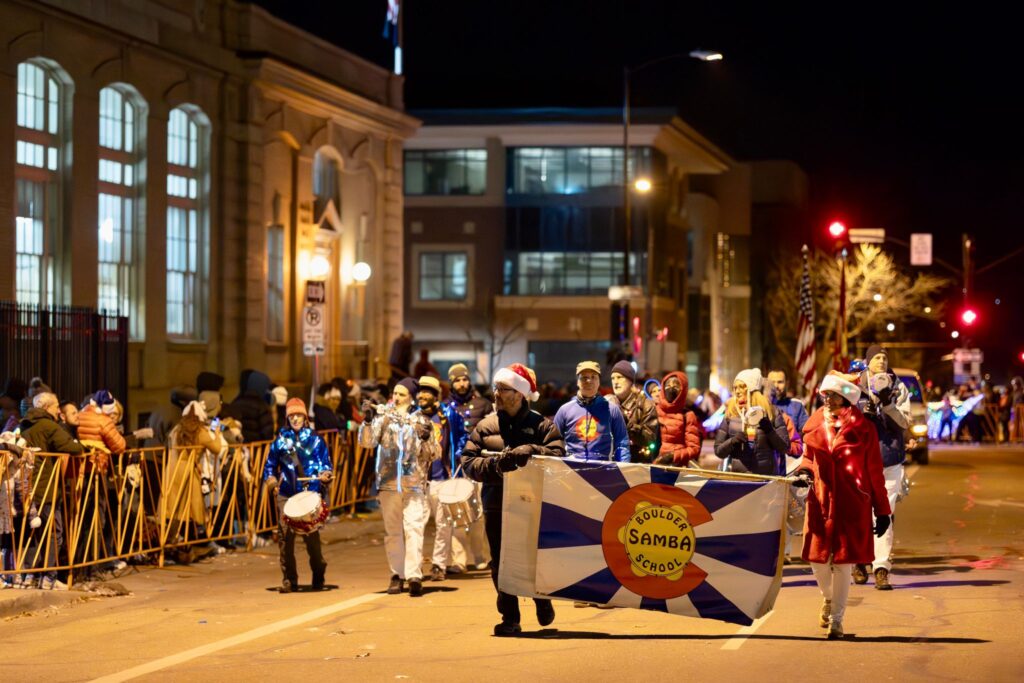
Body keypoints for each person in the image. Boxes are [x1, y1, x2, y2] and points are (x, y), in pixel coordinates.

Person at [461, 363, 565, 636]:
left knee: (533, 556)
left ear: (519, 394)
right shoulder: (485, 427)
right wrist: (496, 467)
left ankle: (542, 600)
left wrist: (531, 450)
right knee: (500, 561)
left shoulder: (541, 425)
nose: (496, 393)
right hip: (496, 502)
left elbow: (559, 455)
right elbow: (469, 463)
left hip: (532, 502)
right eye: (496, 388)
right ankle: (510, 617)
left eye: (503, 389)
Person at [795, 374, 891, 639]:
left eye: (832, 395)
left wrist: (882, 510)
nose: (826, 399)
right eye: (825, 395)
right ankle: (828, 598)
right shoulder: (815, 426)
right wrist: (804, 472)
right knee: (818, 561)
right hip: (821, 501)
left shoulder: (865, 430)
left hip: (853, 503)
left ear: (846, 399)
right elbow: (807, 459)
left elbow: (874, 472)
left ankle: (837, 620)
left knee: (843, 562)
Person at [364, 377, 432, 597]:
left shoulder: (421, 419)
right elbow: (367, 442)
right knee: (393, 531)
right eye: (395, 393)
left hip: (413, 484)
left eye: (402, 394)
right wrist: (367, 421)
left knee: (414, 529)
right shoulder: (384, 418)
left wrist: (427, 439)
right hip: (388, 483)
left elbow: (434, 454)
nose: (397, 397)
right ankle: (397, 574)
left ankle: (414, 576)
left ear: (411, 397)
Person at [850, 345, 910, 590]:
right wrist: (858, 414)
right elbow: (839, 416)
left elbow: (905, 422)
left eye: (885, 357)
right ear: (867, 362)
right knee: (860, 513)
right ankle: (860, 562)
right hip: (859, 460)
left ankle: (881, 567)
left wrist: (887, 404)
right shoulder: (854, 385)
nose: (882, 361)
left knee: (884, 514)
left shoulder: (898, 387)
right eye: (877, 357)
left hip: (889, 460)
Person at [263, 398, 333, 592]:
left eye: (298, 415)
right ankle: (289, 579)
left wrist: (325, 474)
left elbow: (325, 463)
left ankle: (319, 572)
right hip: (286, 493)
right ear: (287, 418)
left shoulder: (316, 439)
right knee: (285, 537)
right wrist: (273, 483)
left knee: (311, 538)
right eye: (291, 415)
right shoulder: (280, 442)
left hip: (309, 491)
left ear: (305, 417)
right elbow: (269, 466)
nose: (295, 418)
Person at [19, 391, 85, 589]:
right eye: (57, 406)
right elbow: (73, 448)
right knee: (54, 532)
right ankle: (49, 577)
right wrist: (80, 445)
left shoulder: (25, 424)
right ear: (47, 407)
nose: (59, 410)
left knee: (32, 532)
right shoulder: (48, 425)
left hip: (28, 484)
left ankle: (27, 576)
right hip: (45, 486)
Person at [415, 376, 468, 582]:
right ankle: (415, 567)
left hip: (443, 478)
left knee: (444, 525)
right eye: (420, 391)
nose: (422, 395)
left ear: (436, 396)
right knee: (416, 526)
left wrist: (459, 454)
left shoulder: (448, 415)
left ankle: (438, 564)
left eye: (427, 391)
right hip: (419, 481)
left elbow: (462, 436)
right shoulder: (413, 417)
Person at [445, 363, 493, 572]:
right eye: (457, 380)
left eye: (464, 379)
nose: (462, 383)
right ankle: (458, 560)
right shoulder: (445, 407)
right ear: (451, 383)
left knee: (478, 514)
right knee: (455, 514)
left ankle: (480, 556)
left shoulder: (483, 404)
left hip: (478, 466)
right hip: (454, 468)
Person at [714, 369, 789, 476]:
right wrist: (732, 441)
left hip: (765, 480)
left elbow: (785, 448)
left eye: (742, 387)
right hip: (738, 479)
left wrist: (770, 431)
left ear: (753, 389)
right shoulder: (731, 413)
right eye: (735, 388)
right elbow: (718, 451)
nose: (738, 391)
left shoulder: (771, 411)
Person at [553, 361, 630, 462]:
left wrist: (621, 471)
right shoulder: (565, 410)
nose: (589, 380)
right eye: (584, 377)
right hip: (571, 472)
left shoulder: (611, 410)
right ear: (577, 381)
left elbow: (622, 444)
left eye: (593, 377)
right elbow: (553, 443)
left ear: (599, 381)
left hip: (603, 472)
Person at [607, 360, 660, 463]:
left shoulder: (646, 404)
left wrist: (626, 422)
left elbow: (650, 439)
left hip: (637, 465)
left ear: (630, 380)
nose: (615, 382)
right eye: (612, 378)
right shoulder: (608, 402)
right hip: (611, 463)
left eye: (619, 377)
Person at [654, 371, 703, 466]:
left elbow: (693, 448)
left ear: (683, 390)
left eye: (676, 386)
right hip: (653, 467)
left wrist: (673, 456)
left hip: (677, 468)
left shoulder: (687, 415)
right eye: (667, 385)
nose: (671, 388)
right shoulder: (654, 410)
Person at [224, 369, 275, 443]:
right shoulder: (262, 406)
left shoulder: (236, 402)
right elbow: (267, 432)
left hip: (239, 449)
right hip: (257, 450)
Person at [767, 369, 810, 433]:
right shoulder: (761, 405)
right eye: (772, 382)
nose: (776, 386)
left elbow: (806, 432)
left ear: (787, 383)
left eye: (780, 382)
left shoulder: (797, 405)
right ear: (767, 384)